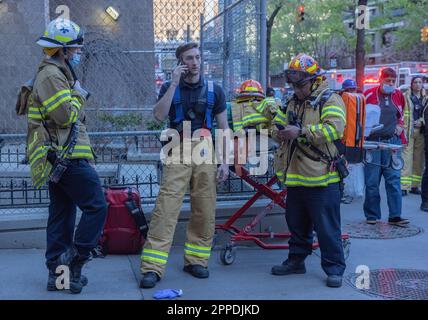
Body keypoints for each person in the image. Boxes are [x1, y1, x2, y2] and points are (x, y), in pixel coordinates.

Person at [140, 42, 229, 288]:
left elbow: (224, 128)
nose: (195, 62)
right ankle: (152, 268)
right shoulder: (170, 87)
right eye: (189, 58)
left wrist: (224, 161)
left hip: (204, 147)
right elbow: (159, 115)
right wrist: (174, 84)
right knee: (166, 207)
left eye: (198, 57)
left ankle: (196, 261)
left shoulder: (215, 90)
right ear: (180, 62)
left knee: (204, 208)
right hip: (176, 144)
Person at [27, 18, 107, 294]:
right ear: (61, 50)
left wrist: (75, 99)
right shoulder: (52, 75)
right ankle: (75, 260)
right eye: (73, 49)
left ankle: (58, 276)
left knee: (62, 215)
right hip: (66, 157)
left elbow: (74, 117)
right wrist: (78, 95)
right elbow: (65, 116)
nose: (76, 53)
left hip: (57, 157)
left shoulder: (58, 73)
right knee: (97, 205)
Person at [268, 53, 346, 288]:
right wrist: (279, 131)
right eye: (293, 84)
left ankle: (334, 269)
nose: (296, 89)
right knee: (296, 223)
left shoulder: (330, 100)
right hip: (296, 177)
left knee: (327, 227)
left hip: (323, 179)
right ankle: (296, 261)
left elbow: (335, 130)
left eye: (300, 84)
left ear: (313, 80)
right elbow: (276, 125)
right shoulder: (292, 101)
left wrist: (301, 132)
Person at [363, 67, 409, 226]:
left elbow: (401, 115)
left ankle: (395, 215)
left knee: (394, 180)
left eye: (393, 81)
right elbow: (359, 117)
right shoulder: (368, 95)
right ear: (380, 79)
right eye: (387, 80)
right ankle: (372, 215)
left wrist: (400, 125)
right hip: (372, 143)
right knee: (372, 181)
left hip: (392, 143)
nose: (390, 84)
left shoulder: (398, 95)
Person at [401, 76, 427, 196]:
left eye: (420, 82)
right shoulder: (406, 96)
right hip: (408, 131)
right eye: (415, 82)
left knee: (419, 160)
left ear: (423, 84)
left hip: (421, 132)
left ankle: (415, 186)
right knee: (407, 159)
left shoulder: (425, 97)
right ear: (411, 84)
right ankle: (404, 186)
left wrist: (422, 120)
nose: (417, 84)